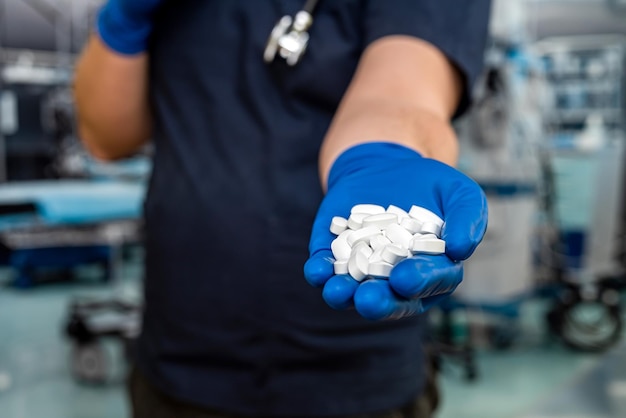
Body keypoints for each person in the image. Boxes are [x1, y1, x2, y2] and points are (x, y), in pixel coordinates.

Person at [73, 1, 491, 417]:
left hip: (353, 374)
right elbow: (107, 138)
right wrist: (124, 21)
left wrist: (380, 153)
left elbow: (405, 83)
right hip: (179, 354)